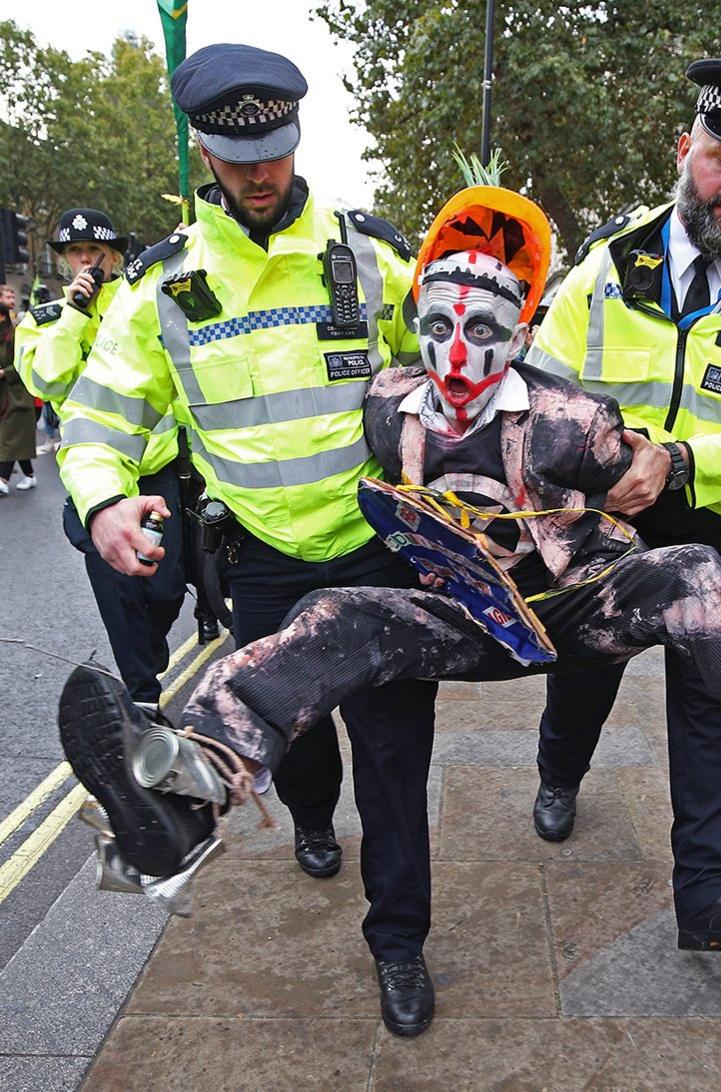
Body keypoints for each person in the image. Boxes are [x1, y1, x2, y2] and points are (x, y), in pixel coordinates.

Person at [57, 185, 721, 1034]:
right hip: (453, 620)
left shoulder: (572, 418)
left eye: (485, 331)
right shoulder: (382, 407)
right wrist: (119, 495)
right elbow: (236, 414)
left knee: (696, 570)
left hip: (568, 610)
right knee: (336, 611)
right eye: (440, 327)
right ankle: (182, 797)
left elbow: (645, 484)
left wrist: (624, 493)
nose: (457, 356)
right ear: (415, 325)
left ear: (522, 330)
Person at [54, 42, 440, 1018]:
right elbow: (98, 417)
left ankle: (399, 943)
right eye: (238, 153)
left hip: (382, 554)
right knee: (300, 740)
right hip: (264, 567)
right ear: (205, 151)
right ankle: (312, 815)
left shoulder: (368, 257)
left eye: (274, 145)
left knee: (396, 762)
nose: (262, 172)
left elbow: (447, 371)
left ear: (297, 135)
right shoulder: (164, 289)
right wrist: (103, 500)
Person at [524, 59, 721, 951]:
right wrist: (598, 464)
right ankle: (559, 771)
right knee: (581, 672)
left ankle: (709, 896)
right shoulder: (603, 266)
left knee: (717, 703)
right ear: (685, 150)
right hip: (609, 522)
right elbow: (546, 388)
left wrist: (681, 460)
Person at [15, 209, 186, 704]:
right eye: (75, 252)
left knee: (166, 587)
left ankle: (146, 653)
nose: (86, 259)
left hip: (158, 468)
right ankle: (142, 692)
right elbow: (45, 381)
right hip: (95, 479)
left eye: (96, 251)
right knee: (117, 587)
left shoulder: (141, 302)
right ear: (66, 260)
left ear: (114, 255)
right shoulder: (46, 319)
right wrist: (74, 315)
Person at [0, 283, 37, 495]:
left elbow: (22, 361)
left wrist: (5, 372)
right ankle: (30, 475)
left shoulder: (15, 335)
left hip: (16, 395)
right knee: (15, 439)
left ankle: (2, 478)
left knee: (10, 437)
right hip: (4, 395)